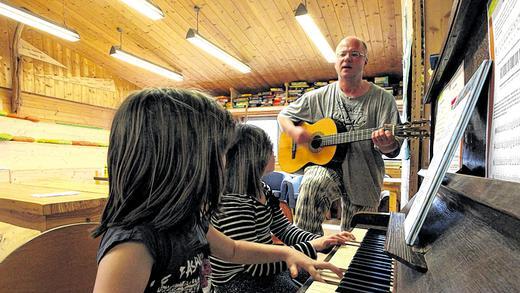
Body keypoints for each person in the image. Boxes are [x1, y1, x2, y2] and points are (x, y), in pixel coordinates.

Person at [91, 88, 343, 293]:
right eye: (220, 152)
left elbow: (233, 249)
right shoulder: (134, 245)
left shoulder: (188, 219)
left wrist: (288, 252)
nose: (225, 162)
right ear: (182, 161)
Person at [277, 36, 402, 235]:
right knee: (311, 186)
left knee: (357, 237)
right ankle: (306, 256)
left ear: (365, 61)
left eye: (355, 54)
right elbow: (283, 116)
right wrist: (294, 131)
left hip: (364, 174)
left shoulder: (383, 99)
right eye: (342, 54)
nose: (347, 59)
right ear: (335, 62)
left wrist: (386, 144)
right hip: (326, 167)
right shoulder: (319, 96)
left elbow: (393, 147)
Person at [210, 124, 355, 293]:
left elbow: (284, 228)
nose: (274, 154)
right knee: (314, 282)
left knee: (320, 274)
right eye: (270, 149)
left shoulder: (262, 189)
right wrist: (312, 245)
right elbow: (255, 266)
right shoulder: (233, 202)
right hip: (240, 282)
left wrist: (323, 241)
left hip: (265, 269)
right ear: (254, 156)